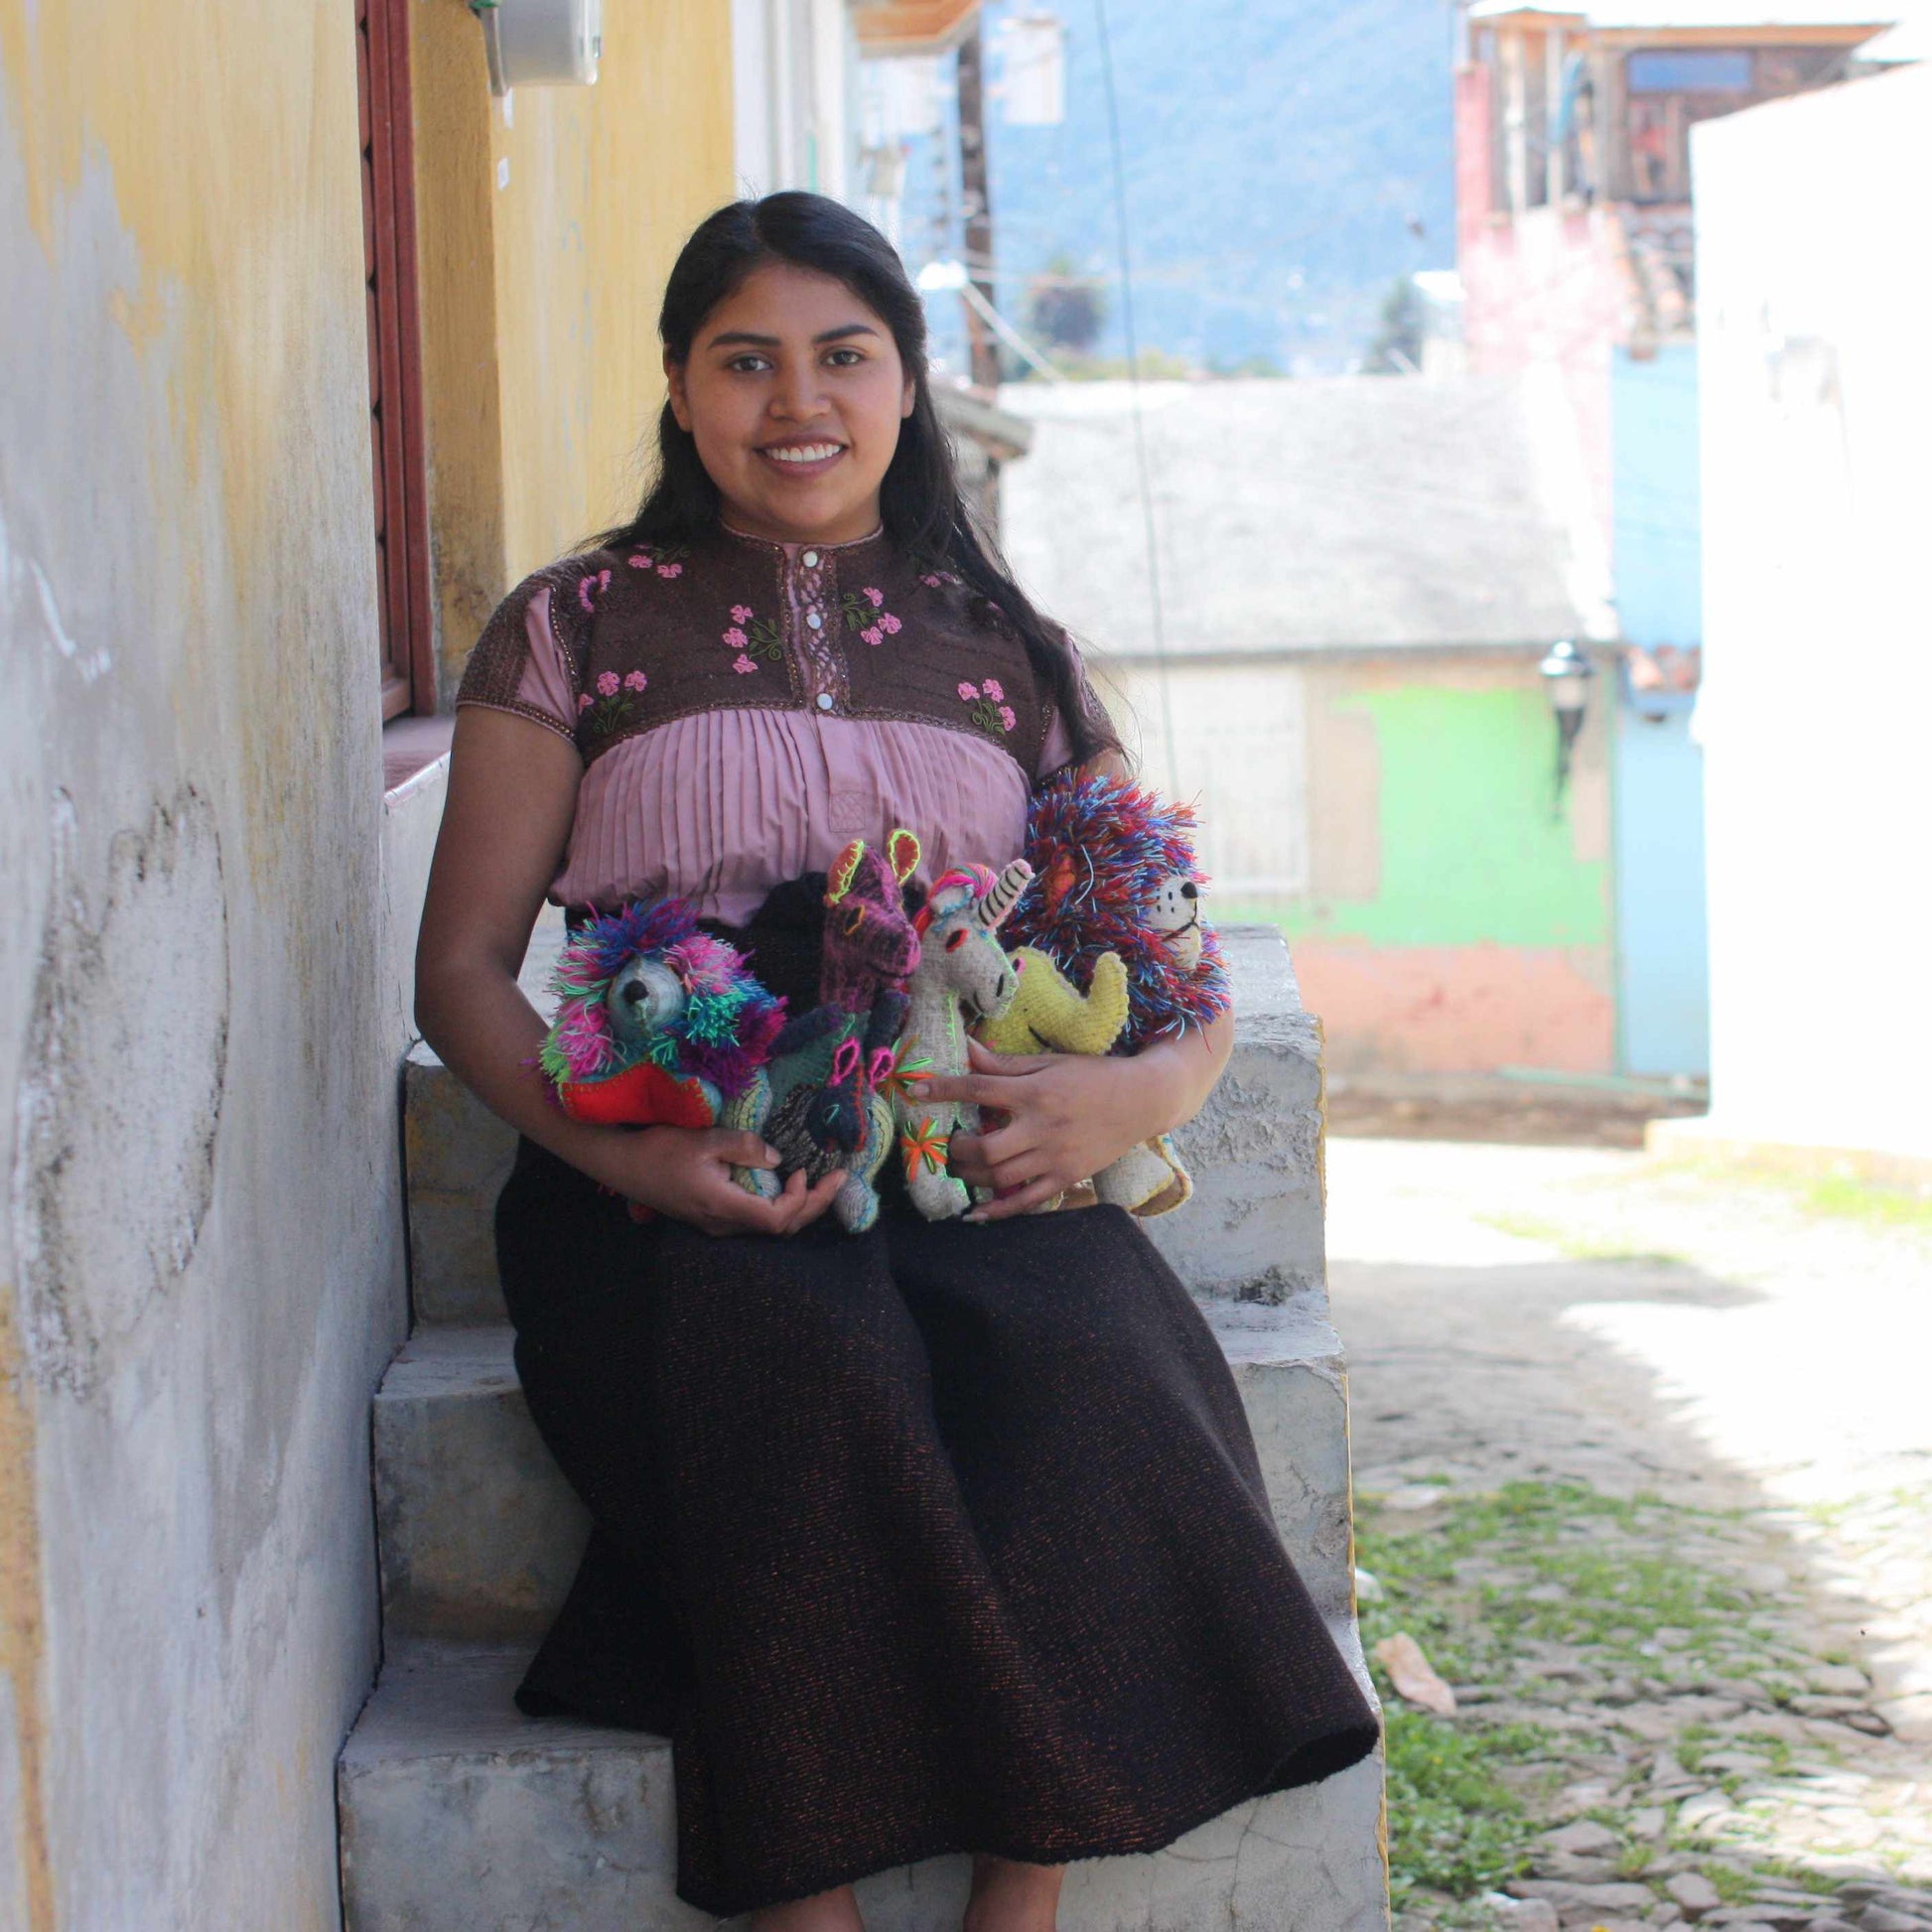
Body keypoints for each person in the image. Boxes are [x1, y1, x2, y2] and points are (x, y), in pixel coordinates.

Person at [414, 192, 1378, 1932]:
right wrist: (627, 1157)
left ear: (909, 381)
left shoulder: (1007, 646)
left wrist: (1132, 1095)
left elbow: (1173, 965)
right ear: (679, 387)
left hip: (961, 1136)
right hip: (691, 1138)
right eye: (746, 360)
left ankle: (1025, 1891)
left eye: (843, 355)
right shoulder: (574, 626)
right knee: (799, 1383)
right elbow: (463, 970)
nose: (799, 400)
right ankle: (809, 1909)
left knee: (1098, 1370)